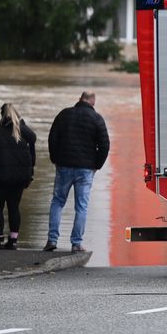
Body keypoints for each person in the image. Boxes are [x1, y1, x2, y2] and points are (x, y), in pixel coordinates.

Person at [44, 91, 110, 253]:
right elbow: (105, 145)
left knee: (58, 202)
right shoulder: (97, 119)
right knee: (81, 207)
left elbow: (52, 138)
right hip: (86, 169)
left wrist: (55, 158)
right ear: (92, 102)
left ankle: (52, 240)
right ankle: (76, 243)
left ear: (79, 99)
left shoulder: (64, 115)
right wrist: (97, 165)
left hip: (64, 166)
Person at [0, 103, 36, 250]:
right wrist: (30, 173)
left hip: (1, 177)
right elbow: (32, 153)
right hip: (20, 177)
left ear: (2, 116)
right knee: (14, 207)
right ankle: (13, 240)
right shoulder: (25, 132)